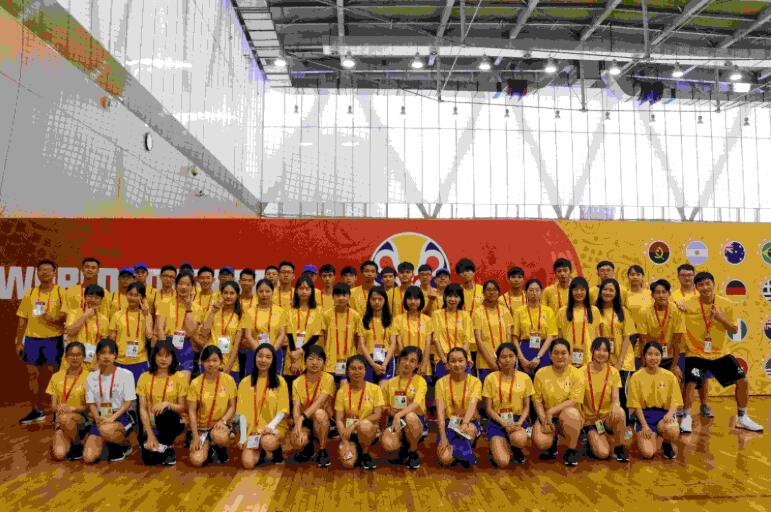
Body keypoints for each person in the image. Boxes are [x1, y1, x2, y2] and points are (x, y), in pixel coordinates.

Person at [681, 272, 763, 433]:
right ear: (696, 288)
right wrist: (677, 303)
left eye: (708, 283)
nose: (705, 287)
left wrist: (720, 318)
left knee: (743, 381)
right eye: (701, 285)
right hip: (696, 353)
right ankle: (686, 417)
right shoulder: (688, 304)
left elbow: (734, 329)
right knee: (690, 383)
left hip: (720, 353)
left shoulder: (726, 304)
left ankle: (742, 418)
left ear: (714, 284)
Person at [16, 259, 66, 425]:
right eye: (41, 270)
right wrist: (19, 341)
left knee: (54, 376)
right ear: (37, 273)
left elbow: (67, 316)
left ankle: (57, 411)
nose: (44, 272)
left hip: (53, 339)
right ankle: (36, 410)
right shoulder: (30, 293)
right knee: (32, 375)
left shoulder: (61, 292)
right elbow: (22, 318)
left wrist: (54, 318)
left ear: (54, 273)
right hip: (32, 340)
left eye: (48, 270)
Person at [532, 339, 585, 466]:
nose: (559, 356)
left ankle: (571, 450)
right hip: (547, 417)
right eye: (555, 353)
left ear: (569, 355)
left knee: (572, 413)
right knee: (541, 442)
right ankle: (552, 445)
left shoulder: (577, 374)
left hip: (567, 417)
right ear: (550, 355)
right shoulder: (541, 373)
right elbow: (537, 401)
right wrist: (544, 420)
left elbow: (573, 401)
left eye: (563, 353)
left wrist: (551, 411)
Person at [83, 339, 136, 463]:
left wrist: (112, 418)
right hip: (100, 417)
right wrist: (97, 418)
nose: (106, 356)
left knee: (106, 429)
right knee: (88, 458)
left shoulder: (126, 375)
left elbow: (128, 402)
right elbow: (90, 402)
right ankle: (109, 442)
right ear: (97, 355)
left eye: (110, 353)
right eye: (103, 353)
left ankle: (125, 445)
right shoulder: (91, 377)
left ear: (115, 355)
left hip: (120, 416)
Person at [237, 343, 290, 468]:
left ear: (273, 360)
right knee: (247, 463)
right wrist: (243, 437)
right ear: (255, 357)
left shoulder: (280, 381)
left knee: (268, 441)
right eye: (260, 356)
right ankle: (260, 452)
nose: (263, 360)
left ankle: (276, 450)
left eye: (268, 357)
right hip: (252, 431)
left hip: (273, 428)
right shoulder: (245, 382)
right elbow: (241, 413)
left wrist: (270, 426)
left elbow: (283, 410)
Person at [136, 340, 188, 465]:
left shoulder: (180, 377)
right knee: (148, 459)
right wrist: (150, 434)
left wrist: (167, 404)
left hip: (173, 419)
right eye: (159, 355)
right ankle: (165, 449)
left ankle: (166, 445)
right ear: (154, 356)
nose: (163, 359)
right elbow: (142, 408)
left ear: (173, 357)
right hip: (151, 422)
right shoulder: (144, 377)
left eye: (167, 355)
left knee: (164, 413)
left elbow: (182, 408)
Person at [627, 341, 683, 459]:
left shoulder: (669, 376)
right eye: (650, 354)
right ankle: (653, 435)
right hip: (645, 416)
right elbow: (635, 404)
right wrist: (644, 425)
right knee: (648, 453)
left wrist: (670, 414)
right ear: (644, 356)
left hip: (663, 415)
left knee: (672, 430)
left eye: (657, 354)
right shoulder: (636, 377)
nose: (653, 358)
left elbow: (676, 400)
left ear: (661, 357)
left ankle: (667, 443)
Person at [482, 343, 534, 467]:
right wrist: (504, 423)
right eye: (503, 357)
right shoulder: (490, 378)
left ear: (516, 358)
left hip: (517, 420)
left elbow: (526, 407)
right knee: (503, 462)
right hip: (497, 420)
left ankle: (515, 448)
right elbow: (489, 409)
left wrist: (519, 423)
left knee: (519, 439)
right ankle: (498, 445)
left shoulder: (525, 378)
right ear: (498, 360)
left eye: (511, 356)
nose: (507, 360)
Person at [187, 346, 237, 466]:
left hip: (220, 425)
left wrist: (223, 420)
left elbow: (232, 407)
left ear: (221, 362)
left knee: (219, 437)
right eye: (207, 360)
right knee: (197, 460)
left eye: (215, 360)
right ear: (202, 362)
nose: (211, 364)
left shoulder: (229, 380)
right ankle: (208, 448)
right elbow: (192, 411)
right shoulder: (195, 383)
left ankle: (220, 448)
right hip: (202, 427)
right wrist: (195, 436)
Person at [672, 263, 711, 416]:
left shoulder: (702, 294)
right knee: (682, 377)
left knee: (703, 377)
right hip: (681, 343)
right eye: (683, 275)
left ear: (694, 276)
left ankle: (704, 405)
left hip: (699, 343)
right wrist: (674, 303)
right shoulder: (673, 296)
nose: (687, 277)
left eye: (689, 274)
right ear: (678, 277)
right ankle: (681, 406)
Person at [380, 346, 428, 470]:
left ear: (417, 365)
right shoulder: (390, 382)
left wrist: (399, 414)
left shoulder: (420, 381)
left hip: (415, 421)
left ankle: (413, 452)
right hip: (396, 422)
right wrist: (390, 411)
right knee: (388, 444)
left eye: (412, 361)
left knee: (410, 416)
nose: (407, 363)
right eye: (405, 359)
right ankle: (403, 448)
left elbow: (416, 404)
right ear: (399, 359)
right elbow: (384, 407)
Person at [581, 338, 628, 462]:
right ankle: (590, 440)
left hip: (606, 419)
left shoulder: (613, 372)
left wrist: (615, 405)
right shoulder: (581, 372)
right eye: (598, 349)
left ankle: (619, 447)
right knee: (603, 453)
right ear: (591, 350)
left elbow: (616, 398)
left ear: (609, 353)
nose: (601, 353)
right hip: (590, 420)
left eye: (605, 350)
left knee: (620, 412)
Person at [335, 355, 385, 470]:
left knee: (365, 425)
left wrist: (355, 424)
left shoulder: (375, 389)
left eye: (360, 368)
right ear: (347, 372)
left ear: (365, 371)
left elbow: (377, 414)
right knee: (348, 464)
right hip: (349, 434)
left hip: (367, 431)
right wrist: (345, 441)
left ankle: (365, 453)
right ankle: (354, 449)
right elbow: (339, 419)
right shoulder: (342, 391)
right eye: (353, 368)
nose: (357, 372)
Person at [436, 348, 482, 468]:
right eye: (453, 361)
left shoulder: (475, 382)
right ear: (447, 364)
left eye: (461, 360)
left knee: (469, 430)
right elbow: (440, 413)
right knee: (445, 459)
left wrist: (465, 423)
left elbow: (472, 405)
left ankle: (464, 448)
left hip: (468, 423)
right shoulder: (440, 383)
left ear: (467, 362)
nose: (457, 364)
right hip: (449, 422)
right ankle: (462, 450)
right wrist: (443, 437)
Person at [291, 345, 336, 467]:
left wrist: (301, 418)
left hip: (321, 419)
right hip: (305, 421)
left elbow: (319, 402)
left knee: (319, 413)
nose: (315, 363)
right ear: (304, 361)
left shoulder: (329, 378)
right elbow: (296, 407)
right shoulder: (296, 382)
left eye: (319, 359)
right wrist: (297, 424)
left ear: (324, 363)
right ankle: (308, 447)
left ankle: (322, 450)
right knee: (296, 441)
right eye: (311, 359)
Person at [596, 278, 636, 410]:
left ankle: (626, 420)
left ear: (616, 293)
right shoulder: (595, 311)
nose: (607, 292)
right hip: (603, 358)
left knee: (623, 394)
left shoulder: (623, 312)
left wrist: (619, 362)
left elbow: (627, 337)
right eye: (605, 289)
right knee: (606, 393)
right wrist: (604, 359)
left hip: (624, 359)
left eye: (611, 290)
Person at [46, 342, 90, 461]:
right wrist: (59, 408)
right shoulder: (56, 377)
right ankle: (71, 439)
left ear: (84, 357)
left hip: (81, 419)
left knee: (66, 418)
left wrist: (72, 408)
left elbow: (89, 407)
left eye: (78, 355)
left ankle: (78, 443)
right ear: (65, 357)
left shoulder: (90, 377)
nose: (74, 358)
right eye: (71, 355)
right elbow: (53, 406)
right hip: (62, 420)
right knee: (59, 455)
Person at [154, 271, 202, 378]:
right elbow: (159, 328)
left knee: (183, 382)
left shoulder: (197, 308)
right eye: (180, 283)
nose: (183, 287)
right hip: (166, 344)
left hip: (185, 346)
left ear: (192, 287)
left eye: (187, 284)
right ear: (176, 285)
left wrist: (188, 308)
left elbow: (190, 332)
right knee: (166, 382)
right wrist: (164, 349)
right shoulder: (165, 303)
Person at [637, 279, 685, 380]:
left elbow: (677, 341)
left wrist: (674, 366)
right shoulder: (644, 312)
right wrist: (644, 364)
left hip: (670, 357)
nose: (661, 295)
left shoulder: (677, 311)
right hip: (650, 357)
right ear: (652, 295)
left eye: (664, 292)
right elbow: (643, 341)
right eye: (657, 292)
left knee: (677, 379)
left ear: (669, 293)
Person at [108, 282, 154, 384]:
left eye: (136, 295)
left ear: (142, 297)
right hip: (119, 361)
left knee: (138, 392)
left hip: (140, 361)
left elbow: (149, 335)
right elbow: (112, 340)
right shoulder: (117, 315)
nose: (132, 298)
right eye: (130, 294)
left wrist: (146, 315)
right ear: (126, 295)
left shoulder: (147, 316)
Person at [240, 279, 287, 377]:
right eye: (261, 291)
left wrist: (271, 352)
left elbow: (282, 334)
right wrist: (260, 353)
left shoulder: (280, 311)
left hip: (275, 352)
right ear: (256, 293)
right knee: (252, 382)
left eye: (267, 291)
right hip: (254, 353)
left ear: (272, 292)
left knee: (274, 382)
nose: (264, 294)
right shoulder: (249, 312)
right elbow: (248, 335)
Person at [511, 279, 557, 375]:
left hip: (543, 350)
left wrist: (539, 357)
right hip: (524, 349)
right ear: (525, 292)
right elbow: (514, 337)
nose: (534, 293)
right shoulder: (519, 311)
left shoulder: (548, 311)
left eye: (537, 290)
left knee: (543, 379)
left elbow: (551, 336)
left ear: (541, 292)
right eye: (531, 290)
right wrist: (521, 359)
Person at [201, 281, 244, 383]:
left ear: (237, 296)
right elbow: (204, 333)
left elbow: (236, 345)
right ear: (221, 294)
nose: (228, 296)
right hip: (209, 361)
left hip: (231, 364)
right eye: (225, 293)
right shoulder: (213, 311)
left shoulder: (241, 316)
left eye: (232, 293)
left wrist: (228, 367)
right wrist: (213, 312)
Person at [556, 277, 602, 367]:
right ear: (571, 291)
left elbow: (597, 335)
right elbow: (559, 337)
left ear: (587, 291)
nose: (579, 292)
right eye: (575, 290)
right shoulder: (562, 311)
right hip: (567, 357)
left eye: (582, 289)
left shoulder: (594, 310)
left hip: (589, 357)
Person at [321, 283, 363, 381]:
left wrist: (357, 359)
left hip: (349, 362)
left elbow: (359, 340)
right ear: (333, 297)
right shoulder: (326, 315)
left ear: (349, 296)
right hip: (330, 362)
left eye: (344, 295)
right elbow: (323, 338)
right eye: (338, 295)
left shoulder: (355, 316)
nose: (341, 298)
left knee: (346, 389)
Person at [473, 280, 513, 382]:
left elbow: (508, 336)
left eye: (494, 290)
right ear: (483, 293)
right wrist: (491, 363)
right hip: (484, 362)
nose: (491, 292)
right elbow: (478, 339)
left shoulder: (505, 311)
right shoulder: (478, 312)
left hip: (504, 362)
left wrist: (503, 359)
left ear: (499, 293)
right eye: (488, 290)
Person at [285, 276, 323, 381]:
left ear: (312, 291)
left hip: (310, 354)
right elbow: (289, 335)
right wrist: (295, 359)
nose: (304, 292)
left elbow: (316, 336)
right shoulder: (290, 310)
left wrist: (299, 352)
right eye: (301, 288)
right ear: (296, 291)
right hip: (292, 356)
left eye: (307, 289)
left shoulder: (318, 310)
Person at [63, 284, 110, 369]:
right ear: (84, 297)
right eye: (90, 296)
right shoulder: (74, 313)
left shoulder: (104, 319)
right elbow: (70, 332)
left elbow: (103, 345)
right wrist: (85, 315)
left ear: (101, 300)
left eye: (97, 298)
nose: (93, 300)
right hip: (72, 360)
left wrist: (99, 363)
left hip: (92, 362)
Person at [432, 284, 473, 378]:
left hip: (462, 361)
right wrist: (445, 361)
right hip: (443, 361)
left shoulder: (465, 315)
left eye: (456, 296)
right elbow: (436, 339)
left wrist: (460, 360)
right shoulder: (436, 314)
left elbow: (467, 340)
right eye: (450, 296)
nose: (452, 299)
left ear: (460, 299)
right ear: (445, 296)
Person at [393, 286, 433, 378]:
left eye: (416, 299)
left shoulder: (427, 320)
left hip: (422, 367)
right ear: (405, 300)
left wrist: (423, 365)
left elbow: (427, 345)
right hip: (404, 366)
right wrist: (405, 363)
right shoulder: (398, 319)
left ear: (421, 300)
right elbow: (399, 344)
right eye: (410, 298)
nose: (413, 302)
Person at [359, 286, 396, 383]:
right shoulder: (363, 321)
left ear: (385, 300)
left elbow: (393, 343)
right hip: (368, 359)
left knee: (384, 388)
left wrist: (384, 364)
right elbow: (362, 344)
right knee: (369, 389)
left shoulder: (391, 321)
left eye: (380, 299)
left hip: (387, 359)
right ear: (369, 301)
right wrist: (373, 364)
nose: (377, 302)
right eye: (373, 299)